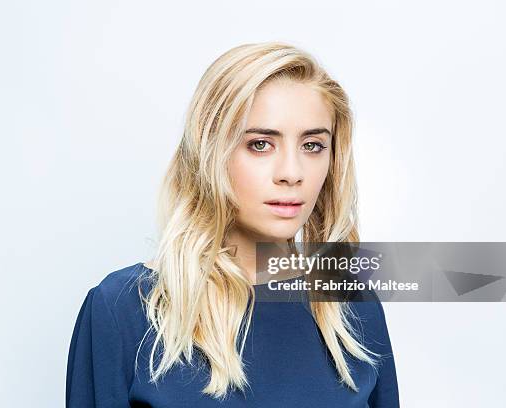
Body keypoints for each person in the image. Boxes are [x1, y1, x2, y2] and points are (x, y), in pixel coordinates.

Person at [66, 42, 400, 407]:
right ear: (211, 152)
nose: (292, 173)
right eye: (260, 144)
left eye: (313, 145)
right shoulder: (124, 309)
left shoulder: (352, 304)